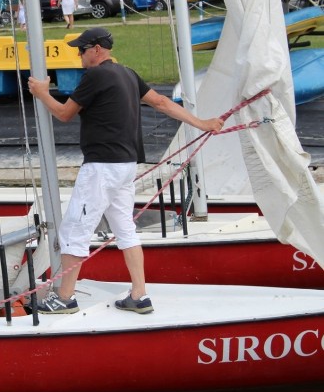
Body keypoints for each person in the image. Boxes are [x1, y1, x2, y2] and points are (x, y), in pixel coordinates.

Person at [26, 27, 224, 315]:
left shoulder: (95, 75)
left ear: (96, 49)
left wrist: (42, 93)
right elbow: (162, 102)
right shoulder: (128, 73)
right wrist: (202, 123)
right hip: (126, 165)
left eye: (81, 50)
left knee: (74, 229)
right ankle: (139, 294)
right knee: (124, 228)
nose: (79, 55)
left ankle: (65, 298)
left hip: (101, 167)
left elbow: (64, 114)